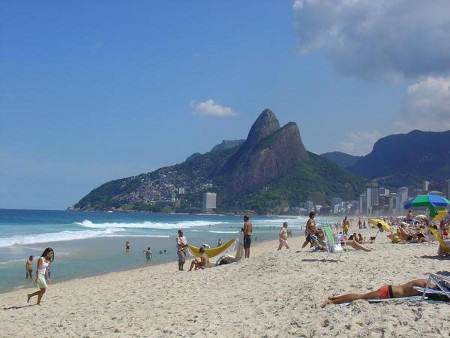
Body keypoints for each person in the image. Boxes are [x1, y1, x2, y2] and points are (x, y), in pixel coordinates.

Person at [321, 278, 428, 307]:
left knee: (360, 295)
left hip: (390, 289)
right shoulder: (426, 287)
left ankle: (334, 299)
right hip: (388, 293)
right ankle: (332, 302)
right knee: (360, 297)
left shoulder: (424, 281)